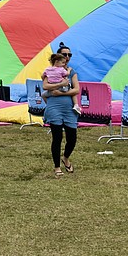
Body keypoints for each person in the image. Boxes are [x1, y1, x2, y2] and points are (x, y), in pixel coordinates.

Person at [42, 42, 80, 178]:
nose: (67, 57)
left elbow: (76, 89)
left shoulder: (71, 72)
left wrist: (61, 92)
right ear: (58, 57)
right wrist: (61, 84)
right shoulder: (50, 71)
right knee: (57, 137)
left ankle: (65, 157)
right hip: (54, 108)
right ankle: (57, 167)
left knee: (72, 138)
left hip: (69, 108)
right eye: (65, 54)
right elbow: (45, 86)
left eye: (69, 55)